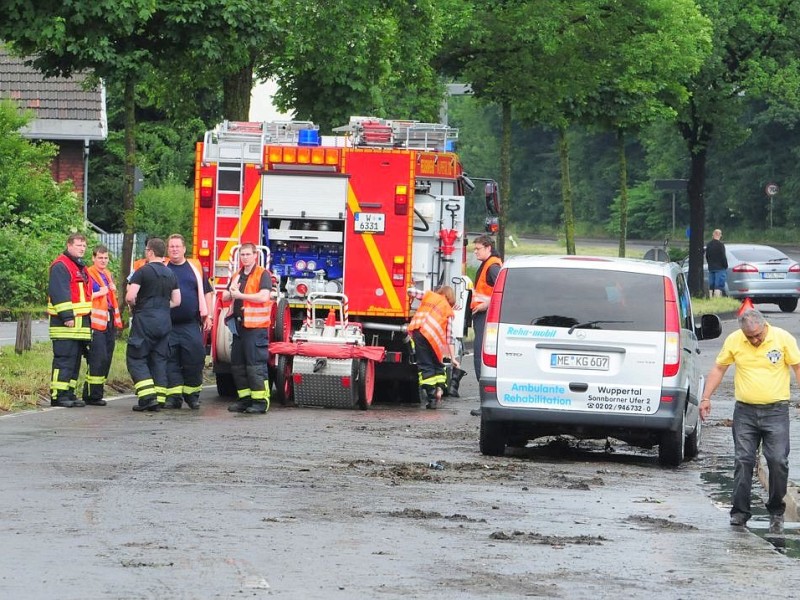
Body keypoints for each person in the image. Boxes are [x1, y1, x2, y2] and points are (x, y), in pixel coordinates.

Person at [700, 308, 800, 534]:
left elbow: (797, 367)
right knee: (743, 460)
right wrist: (706, 397)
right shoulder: (735, 341)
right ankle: (739, 513)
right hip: (745, 412)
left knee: (777, 461)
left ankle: (776, 511)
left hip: (776, 412)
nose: (754, 340)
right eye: (749, 337)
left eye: (758, 335)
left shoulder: (782, 338)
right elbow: (719, 368)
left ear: (765, 326)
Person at [125, 238, 181, 412]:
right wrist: (162, 307)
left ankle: (148, 397)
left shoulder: (142, 272)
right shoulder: (171, 274)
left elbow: (130, 296)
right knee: (159, 359)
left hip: (145, 320)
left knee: (136, 357)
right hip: (164, 321)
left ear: (150, 252)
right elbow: (177, 301)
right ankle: (160, 398)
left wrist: (137, 306)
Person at [163, 234, 214, 410]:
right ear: (167, 249)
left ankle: (192, 396)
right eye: (171, 247)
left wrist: (208, 315)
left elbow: (207, 292)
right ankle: (173, 397)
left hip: (190, 324)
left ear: (184, 249)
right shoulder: (163, 269)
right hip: (167, 324)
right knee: (170, 361)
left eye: (177, 246)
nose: (174, 249)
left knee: (194, 359)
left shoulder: (195, 269)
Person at [223, 243, 272, 414]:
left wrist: (240, 295)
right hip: (238, 327)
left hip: (255, 328)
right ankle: (244, 399)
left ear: (255, 255)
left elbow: (264, 296)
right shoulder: (237, 274)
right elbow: (225, 295)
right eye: (242, 255)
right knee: (238, 365)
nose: (244, 257)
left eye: (247, 254)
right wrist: (230, 292)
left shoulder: (262, 274)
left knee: (255, 366)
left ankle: (260, 401)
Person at [47, 233, 92, 408]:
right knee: (64, 360)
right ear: (68, 245)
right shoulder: (61, 265)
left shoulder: (79, 266)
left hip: (80, 325)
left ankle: (69, 392)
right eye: (78, 245)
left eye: (84, 246)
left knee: (74, 361)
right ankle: (58, 395)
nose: (82, 248)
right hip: (65, 324)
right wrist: (66, 316)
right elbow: (59, 292)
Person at [82, 245, 123, 406]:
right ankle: (92, 395)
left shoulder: (107, 274)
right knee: (97, 358)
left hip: (109, 320)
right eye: (100, 257)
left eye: (106, 258)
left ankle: (96, 392)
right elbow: (88, 295)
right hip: (96, 322)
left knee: (106, 357)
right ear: (93, 258)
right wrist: (105, 290)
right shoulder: (89, 273)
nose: (103, 261)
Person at [407, 285, 459, 409]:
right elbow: (449, 337)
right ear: (450, 298)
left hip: (419, 332)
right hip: (435, 340)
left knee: (425, 365)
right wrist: (453, 358)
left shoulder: (429, 295)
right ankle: (439, 390)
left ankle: (431, 396)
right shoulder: (448, 311)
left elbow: (410, 291)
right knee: (438, 364)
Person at [469, 235, 502, 416]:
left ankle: (486, 404)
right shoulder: (489, 264)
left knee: (480, 359)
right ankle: (485, 403)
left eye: (478, 249)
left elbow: (502, 289)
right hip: (482, 316)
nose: (475, 252)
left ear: (488, 248)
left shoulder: (493, 267)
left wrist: (484, 305)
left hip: (486, 316)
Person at [705, 228, 728, 298]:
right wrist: (725, 265)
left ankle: (711, 298)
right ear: (720, 235)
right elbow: (723, 257)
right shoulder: (721, 245)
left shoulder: (708, 245)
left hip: (711, 267)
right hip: (720, 268)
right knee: (718, 285)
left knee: (711, 285)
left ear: (713, 234)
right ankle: (717, 299)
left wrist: (710, 264)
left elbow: (707, 256)